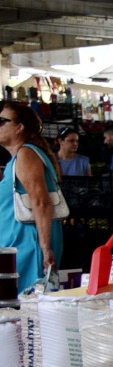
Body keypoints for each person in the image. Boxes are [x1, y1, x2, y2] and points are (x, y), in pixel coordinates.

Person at [0, 101, 63, 291]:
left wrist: (45, 247)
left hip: (29, 244)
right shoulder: (19, 157)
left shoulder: (26, 153)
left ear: (19, 127)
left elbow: (41, 201)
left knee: (27, 308)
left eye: (2, 121)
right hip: (19, 244)